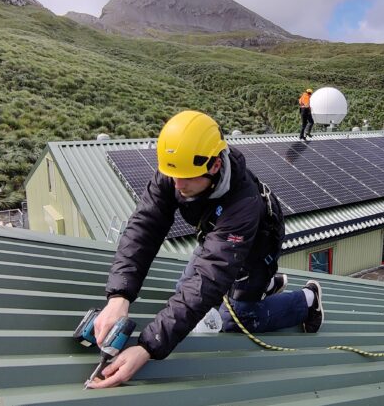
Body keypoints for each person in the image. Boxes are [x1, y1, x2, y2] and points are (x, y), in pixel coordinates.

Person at [88, 110, 325, 389]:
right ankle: (268, 285)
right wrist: (119, 296)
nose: (176, 186)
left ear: (214, 166)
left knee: (235, 318)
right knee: (183, 288)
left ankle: (308, 300)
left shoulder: (242, 204)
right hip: (218, 236)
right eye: (171, 175)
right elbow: (144, 228)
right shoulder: (180, 167)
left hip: (256, 246)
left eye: (186, 179)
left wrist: (147, 347)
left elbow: (210, 277)